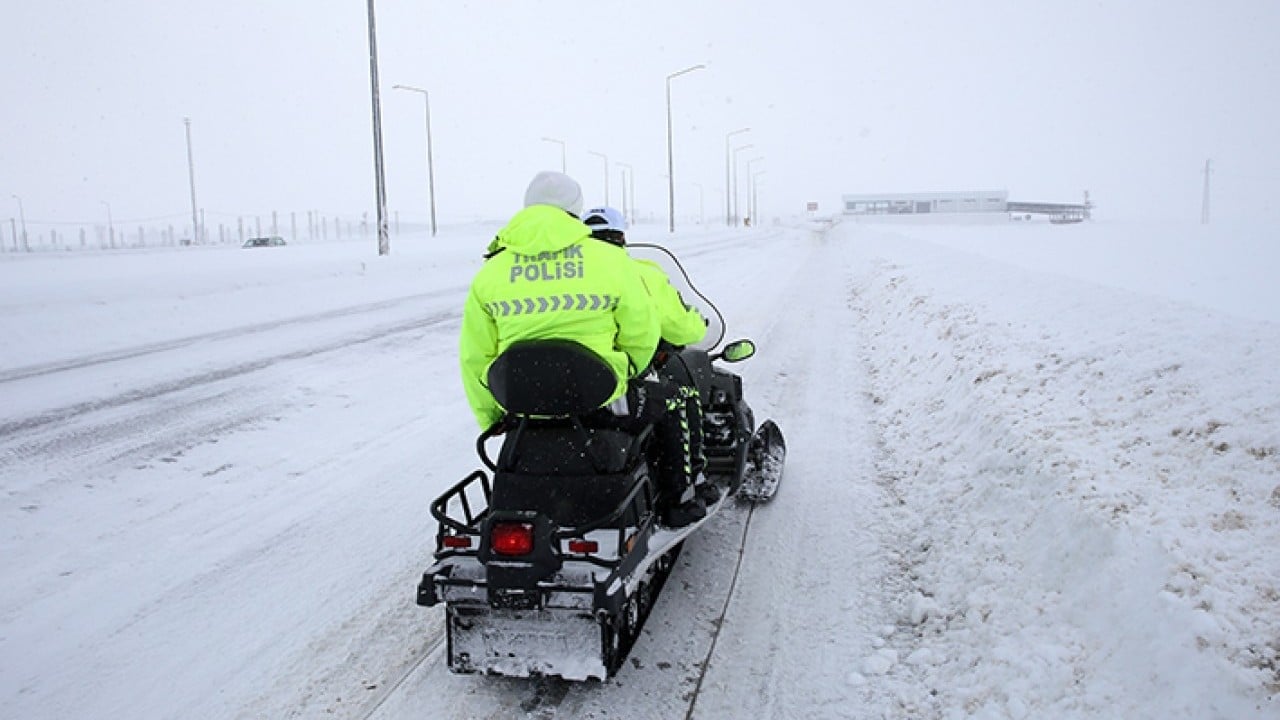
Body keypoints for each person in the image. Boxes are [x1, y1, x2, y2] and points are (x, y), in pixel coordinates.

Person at [458, 175, 706, 527]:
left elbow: (474, 357)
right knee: (675, 399)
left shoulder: (491, 271)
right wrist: (628, 373)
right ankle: (681, 500)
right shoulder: (609, 260)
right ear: (575, 209)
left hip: (527, 405)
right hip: (600, 402)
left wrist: (492, 417)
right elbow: (642, 331)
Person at [581, 206, 720, 513]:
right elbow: (676, 325)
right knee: (679, 399)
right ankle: (683, 491)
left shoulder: (565, 276)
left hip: (562, 385)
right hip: (612, 385)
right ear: (620, 237)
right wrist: (698, 325)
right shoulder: (637, 272)